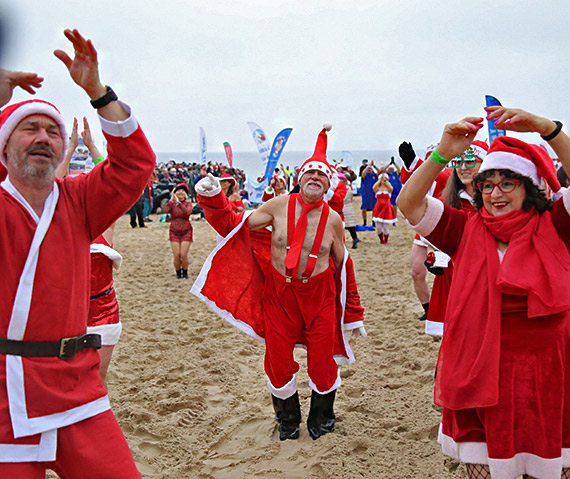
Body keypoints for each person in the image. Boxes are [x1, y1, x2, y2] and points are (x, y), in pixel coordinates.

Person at [0, 29, 155, 477]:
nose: (44, 136)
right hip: (4, 395)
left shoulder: (78, 200)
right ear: (5, 145)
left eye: (53, 130)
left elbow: (134, 166)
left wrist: (97, 92)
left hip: (75, 388)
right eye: (29, 128)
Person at [397, 105, 570, 479]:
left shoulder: (557, 225)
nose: (495, 194)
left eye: (508, 183)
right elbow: (408, 204)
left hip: (551, 379)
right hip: (479, 376)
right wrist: (441, 153)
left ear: (529, 187)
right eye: (487, 184)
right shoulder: (463, 228)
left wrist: (549, 130)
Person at [192, 124, 365, 442]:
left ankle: (322, 418)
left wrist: (353, 311)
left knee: (323, 360)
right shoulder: (278, 205)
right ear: (300, 178)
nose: (315, 178)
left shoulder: (335, 220)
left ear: (328, 183)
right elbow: (234, 225)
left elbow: (343, 266)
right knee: (278, 359)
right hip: (279, 296)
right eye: (309, 173)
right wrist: (213, 198)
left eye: (321, 175)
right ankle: (287, 420)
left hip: (320, 297)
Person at [56, 116, 123, 387]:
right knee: (67, 378)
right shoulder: (59, 233)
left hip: (103, 309)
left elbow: (113, 183)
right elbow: (50, 187)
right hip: (65, 310)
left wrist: (93, 147)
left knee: (98, 377)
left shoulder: (104, 227)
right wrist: (70, 148)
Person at [423, 140, 488, 336]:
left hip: (486, 274)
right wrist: (435, 260)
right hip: (454, 277)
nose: (462, 167)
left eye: (469, 161)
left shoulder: (495, 197)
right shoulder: (448, 200)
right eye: (457, 161)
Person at [399, 141, 451, 321]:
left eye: (435, 158)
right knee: (417, 272)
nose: (431, 163)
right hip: (423, 225)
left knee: (446, 273)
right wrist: (409, 165)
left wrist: (415, 163)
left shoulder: (451, 174)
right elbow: (407, 183)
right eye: (429, 158)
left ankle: (448, 308)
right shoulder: (422, 176)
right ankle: (428, 308)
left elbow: (441, 177)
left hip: (443, 226)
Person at [164, 183, 193, 279]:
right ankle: (178, 272)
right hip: (174, 231)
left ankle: (185, 271)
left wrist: (179, 203)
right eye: (178, 190)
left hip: (186, 231)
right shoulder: (172, 204)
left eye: (183, 191)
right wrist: (171, 199)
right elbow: (166, 210)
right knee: (176, 255)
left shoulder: (188, 204)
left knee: (183, 254)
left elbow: (187, 212)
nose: (181, 192)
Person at [372, 169, 396, 244]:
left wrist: (385, 180)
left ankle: (386, 240)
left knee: (386, 226)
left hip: (387, 208)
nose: (383, 180)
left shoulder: (388, 189)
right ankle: (381, 240)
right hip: (378, 208)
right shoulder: (377, 188)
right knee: (378, 227)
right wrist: (380, 180)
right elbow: (373, 188)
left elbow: (391, 188)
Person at [360, 159, 380, 225]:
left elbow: (379, 171)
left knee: (374, 208)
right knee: (364, 209)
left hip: (373, 194)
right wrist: (367, 167)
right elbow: (363, 173)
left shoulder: (374, 175)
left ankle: (373, 222)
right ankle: (365, 222)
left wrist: (373, 165)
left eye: (370, 169)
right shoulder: (365, 176)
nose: (369, 170)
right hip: (365, 194)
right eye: (368, 169)